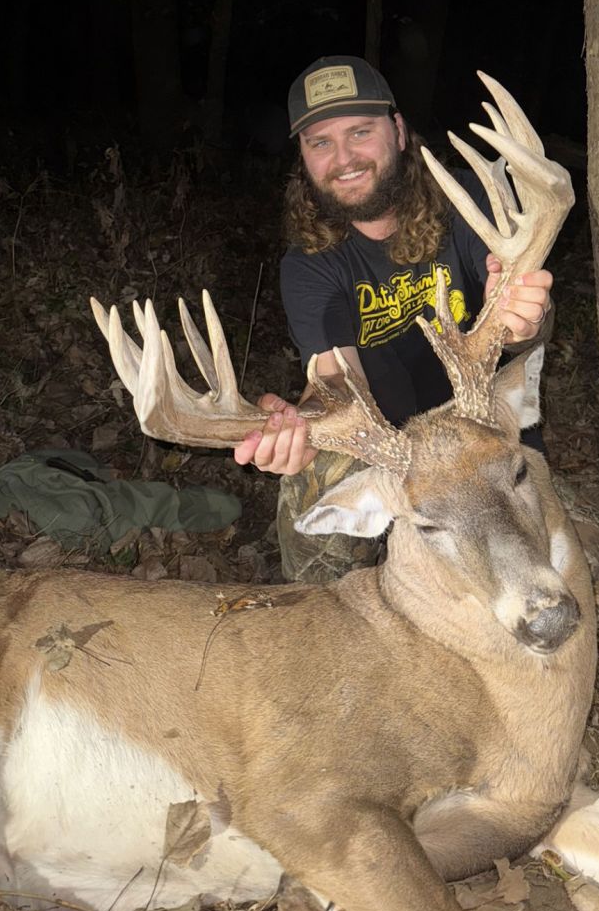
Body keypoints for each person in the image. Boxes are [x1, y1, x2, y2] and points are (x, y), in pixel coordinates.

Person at [232, 55, 556, 582]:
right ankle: (336, 627)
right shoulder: (310, 265)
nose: (344, 158)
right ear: (303, 159)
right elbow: (335, 376)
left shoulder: (468, 201)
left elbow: (525, 318)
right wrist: (305, 426)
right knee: (320, 467)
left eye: (361, 132)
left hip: (488, 441)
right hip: (395, 456)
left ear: (399, 131)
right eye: (321, 143)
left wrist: (522, 317)